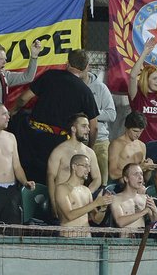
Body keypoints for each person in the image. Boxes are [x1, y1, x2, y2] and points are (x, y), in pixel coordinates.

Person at [12, 49, 99, 183]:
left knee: (31, 179)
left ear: (67, 63)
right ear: (86, 67)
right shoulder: (85, 92)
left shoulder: (49, 76)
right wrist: (90, 147)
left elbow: (24, 98)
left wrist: (14, 110)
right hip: (61, 144)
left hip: (34, 140)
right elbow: (94, 127)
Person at [47, 114, 100, 218]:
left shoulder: (90, 153)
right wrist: (54, 204)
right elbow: (50, 178)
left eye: (88, 126)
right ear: (73, 129)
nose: (88, 130)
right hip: (62, 201)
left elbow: (97, 178)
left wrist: (87, 193)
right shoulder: (59, 151)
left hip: (80, 202)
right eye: (84, 126)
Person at [54, 154, 111, 237]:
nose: (88, 170)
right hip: (69, 238)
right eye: (85, 166)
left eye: (89, 167)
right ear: (74, 167)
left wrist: (103, 207)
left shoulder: (86, 191)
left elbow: (96, 220)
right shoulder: (62, 188)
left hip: (87, 239)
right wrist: (95, 203)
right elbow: (69, 215)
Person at [83, 55, 118, 186]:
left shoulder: (100, 87)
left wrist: (91, 113)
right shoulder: (71, 86)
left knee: (102, 184)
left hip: (100, 142)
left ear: (87, 67)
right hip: (77, 141)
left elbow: (111, 114)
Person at [108, 112, 157, 183]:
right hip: (122, 186)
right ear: (126, 128)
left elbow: (145, 179)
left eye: (141, 131)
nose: (138, 134)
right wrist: (140, 167)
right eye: (135, 131)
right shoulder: (117, 145)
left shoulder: (142, 145)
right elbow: (112, 174)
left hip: (139, 186)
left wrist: (148, 169)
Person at [112, 162, 157, 230]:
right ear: (126, 179)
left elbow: (156, 222)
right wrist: (144, 212)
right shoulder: (116, 199)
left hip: (142, 238)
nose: (140, 177)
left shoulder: (145, 198)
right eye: (136, 174)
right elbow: (120, 222)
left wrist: (154, 210)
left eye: (141, 174)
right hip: (125, 239)